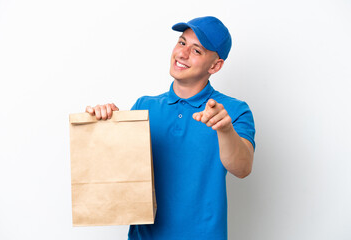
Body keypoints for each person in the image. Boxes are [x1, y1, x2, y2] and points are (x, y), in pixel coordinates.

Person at [86, 16, 255, 240]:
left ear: (215, 65)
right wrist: (106, 124)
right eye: (182, 42)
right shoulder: (144, 106)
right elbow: (116, 174)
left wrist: (224, 129)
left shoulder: (233, 110)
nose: (182, 54)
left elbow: (242, 168)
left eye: (197, 51)